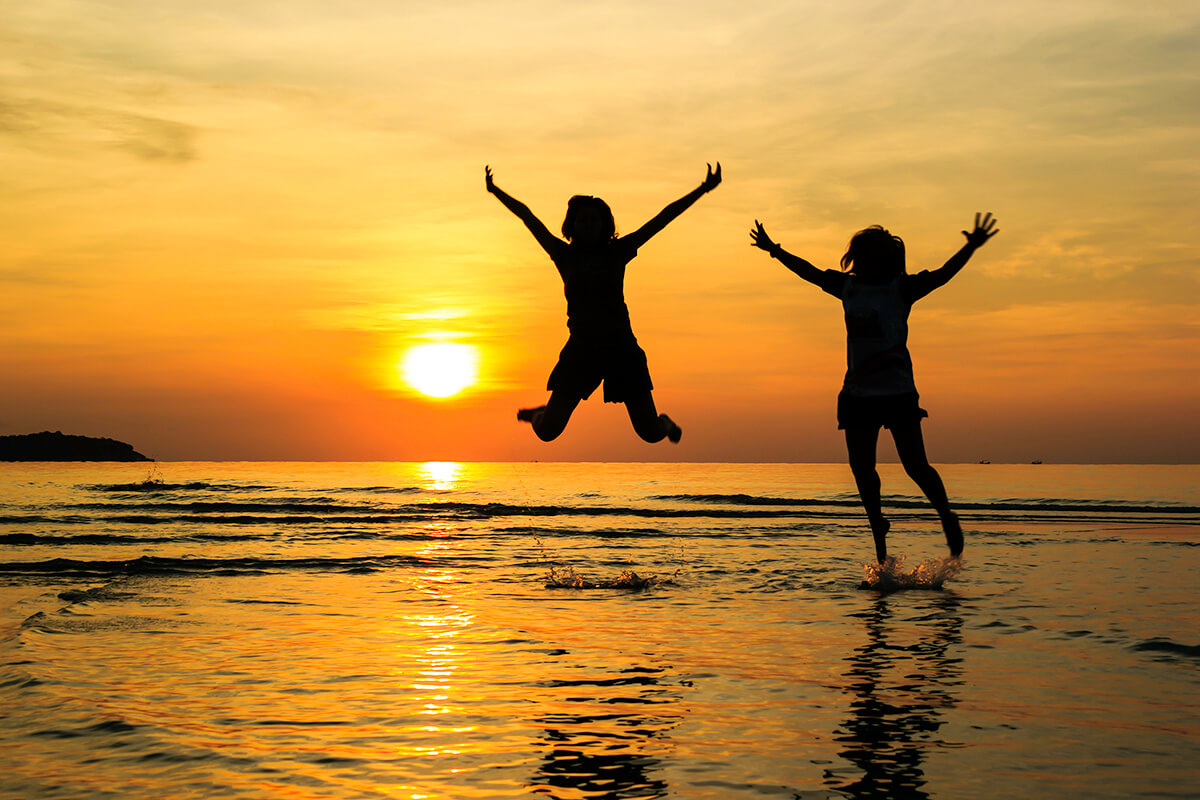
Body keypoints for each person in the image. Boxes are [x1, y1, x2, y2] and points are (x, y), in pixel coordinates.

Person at [750, 212, 998, 563]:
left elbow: (943, 275)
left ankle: (946, 516)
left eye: (864, 255)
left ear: (880, 259)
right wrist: (774, 249)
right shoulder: (848, 287)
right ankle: (878, 533)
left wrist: (970, 247)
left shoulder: (903, 288)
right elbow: (809, 272)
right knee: (862, 468)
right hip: (857, 395)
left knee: (916, 466)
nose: (857, 261)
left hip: (898, 392)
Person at [486, 163, 721, 443]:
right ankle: (540, 414)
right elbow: (528, 217)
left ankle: (666, 424)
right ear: (571, 225)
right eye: (582, 219)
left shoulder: (618, 252)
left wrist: (703, 190)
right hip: (581, 349)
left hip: (621, 347)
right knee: (548, 432)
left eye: (594, 220)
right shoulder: (563, 254)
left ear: (605, 225)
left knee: (649, 433)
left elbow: (662, 219)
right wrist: (495, 190)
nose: (588, 224)